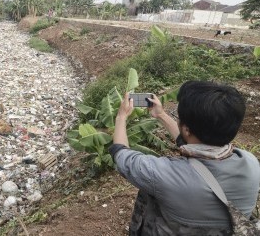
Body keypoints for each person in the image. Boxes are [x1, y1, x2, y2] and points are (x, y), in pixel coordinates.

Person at [110, 81, 260, 235]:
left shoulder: (165, 175)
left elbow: (122, 156)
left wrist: (121, 117)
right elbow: (194, 143)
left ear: (186, 129)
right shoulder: (251, 163)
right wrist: (160, 115)